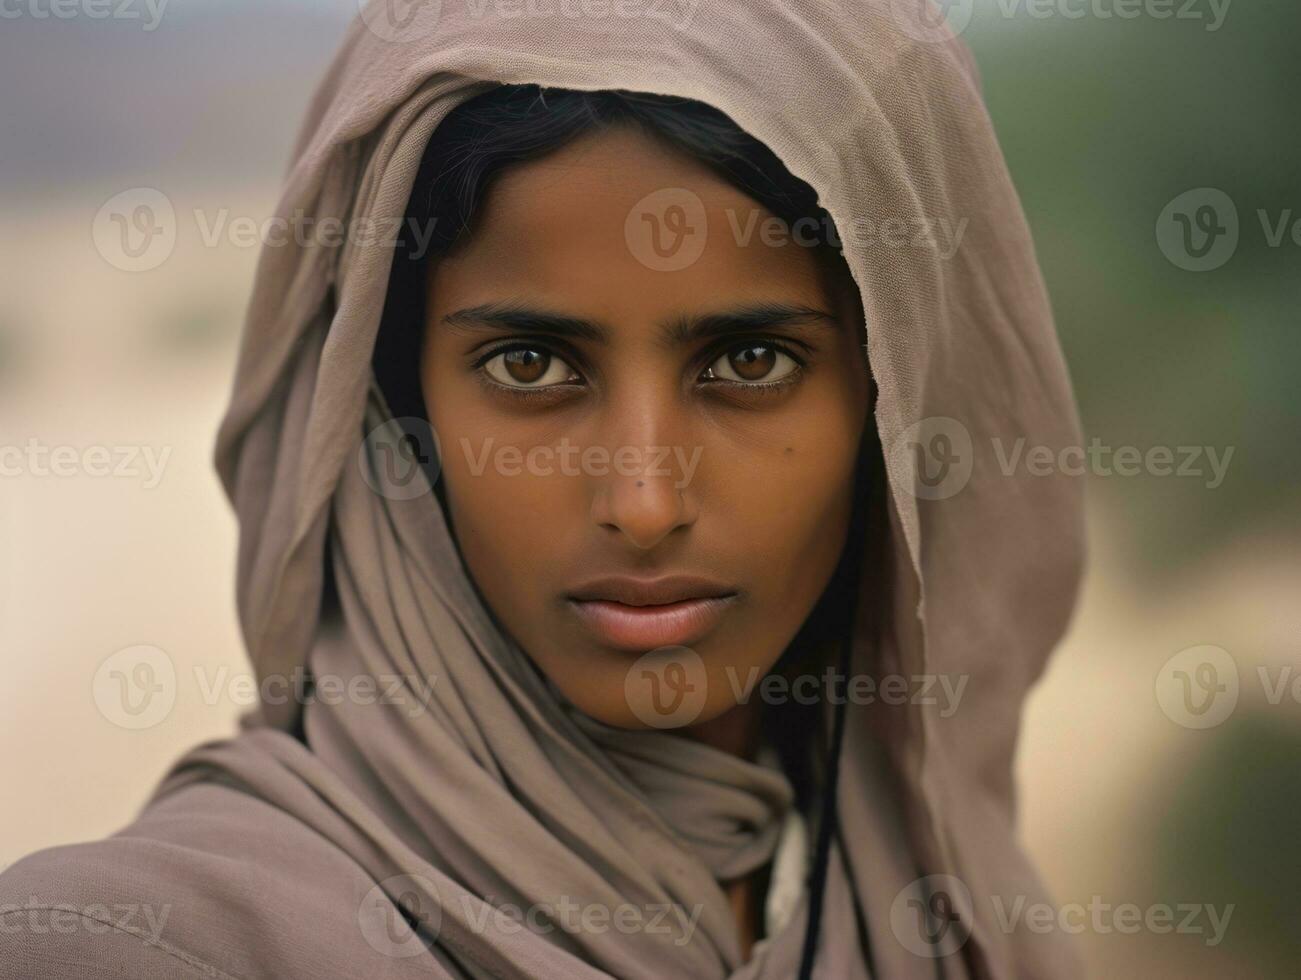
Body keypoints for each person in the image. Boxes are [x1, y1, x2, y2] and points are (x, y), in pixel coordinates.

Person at [0, 3, 1087, 978]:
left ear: (890, 402)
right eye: (531, 365)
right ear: (391, 411)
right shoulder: (139, 940)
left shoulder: (947, 919)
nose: (645, 500)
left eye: (749, 363)